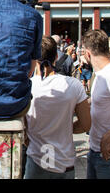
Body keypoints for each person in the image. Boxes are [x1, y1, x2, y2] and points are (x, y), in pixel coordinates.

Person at [24, 36, 91, 179]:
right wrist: (66, 127)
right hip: (64, 162)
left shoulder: (27, 87)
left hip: (36, 159)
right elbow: (86, 124)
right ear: (56, 56)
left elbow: (23, 127)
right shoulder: (73, 85)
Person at [82, 29, 110, 179]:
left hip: (109, 153)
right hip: (96, 150)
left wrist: (108, 136)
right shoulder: (101, 74)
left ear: (88, 53)